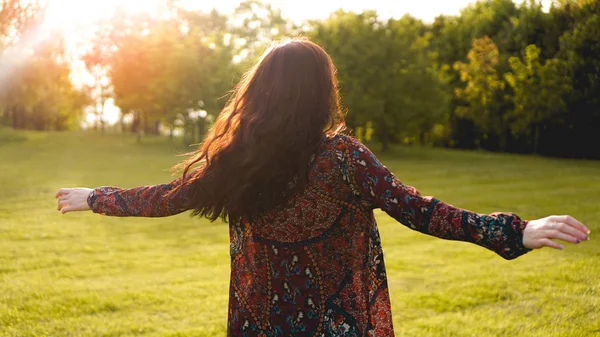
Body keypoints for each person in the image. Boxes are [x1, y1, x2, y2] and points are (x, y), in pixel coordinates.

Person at [56, 38, 590, 337]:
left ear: (261, 90)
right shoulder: (343, 158)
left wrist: (94, 197)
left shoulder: (239, 156)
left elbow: (170, 196)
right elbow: (420, 211)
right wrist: (515, 232)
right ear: (321, 92)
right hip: (335, 327)